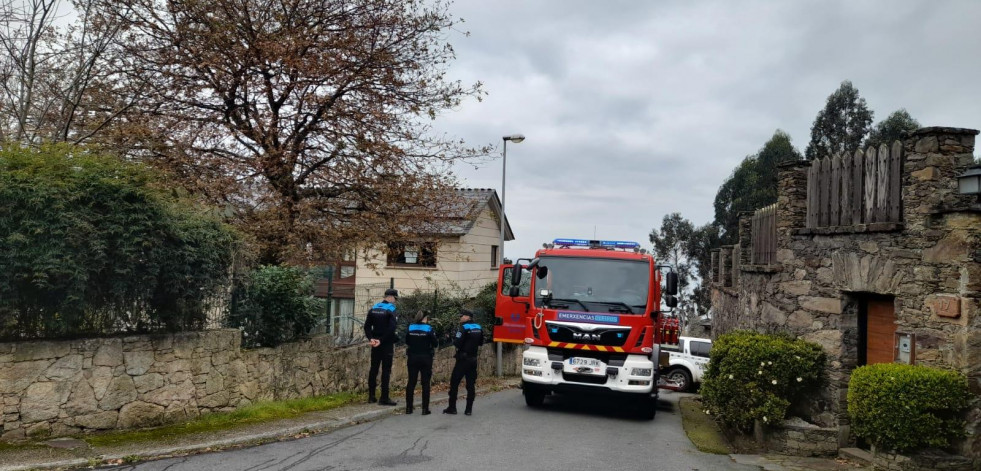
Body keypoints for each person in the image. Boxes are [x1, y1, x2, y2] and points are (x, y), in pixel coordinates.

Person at [443, 309, 484, 416]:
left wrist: (451, 338)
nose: (460, 318)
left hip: (462, 360)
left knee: (454, 383)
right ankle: (468, 410)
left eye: (462, 316)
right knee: (471, 385)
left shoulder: (463, 328)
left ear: (467, 317)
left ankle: (452, 408)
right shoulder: (478, 327)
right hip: (473, 359)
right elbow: (481, 342)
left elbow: (457, 343)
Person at [363, 288, 399, 406]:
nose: (395, 301)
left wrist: (371, 339)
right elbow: (392, 328)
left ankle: (371, 396)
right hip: (386, 343)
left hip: (375, 343)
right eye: (395, 299)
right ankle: (384, 398)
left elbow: (367, 326)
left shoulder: (374, 308)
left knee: (373, 369)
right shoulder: (391, 309)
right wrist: (381, 340)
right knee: (386, 371)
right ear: (392, 297)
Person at [404, 310, 437, 415]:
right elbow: (435, 343)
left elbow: (407, 341)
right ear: (425, 318)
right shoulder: (428, 328)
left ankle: (409, 408)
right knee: (425, 383)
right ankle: (425, 409)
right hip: (426, 358)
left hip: (412, 357)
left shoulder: (410, 327)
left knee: (411, 382)